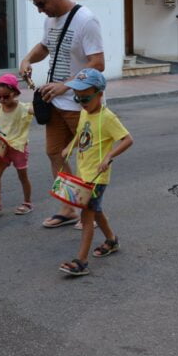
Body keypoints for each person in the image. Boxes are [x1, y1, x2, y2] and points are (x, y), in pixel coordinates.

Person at [20, 0, 105, 229]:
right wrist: (26, 60)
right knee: (55, 153)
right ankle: (68, 208)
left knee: (88, 159)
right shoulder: (51, 21)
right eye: (36, 5)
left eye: (41, 4)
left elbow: (98, 63)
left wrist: (64, 85)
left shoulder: (86, 20)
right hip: (55, 102)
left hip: (82, 104)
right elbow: (46, 46)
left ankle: (90, 212)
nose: (40, 10)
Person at [57, 69, 133, 276]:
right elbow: (81, 134)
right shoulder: (84, 112)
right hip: (84, 173)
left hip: (97, 177)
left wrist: (108, 157)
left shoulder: (107, 117)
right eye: (78, 97)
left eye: (86, 97)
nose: (81, 101)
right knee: (96, 210)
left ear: (100, 94)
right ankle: (111, 240)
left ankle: (81, 261)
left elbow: (127, 139)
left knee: (87, 215)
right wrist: (70, 147)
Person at [0, 73, 34, 216]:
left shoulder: (23, 108)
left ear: (15, 93)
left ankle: (27, 203)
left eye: (6, 96)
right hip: (2, 147)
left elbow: (36, 111)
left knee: (22, 177)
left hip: (18, 148)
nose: (2, 100)